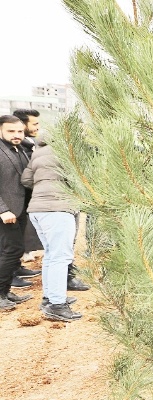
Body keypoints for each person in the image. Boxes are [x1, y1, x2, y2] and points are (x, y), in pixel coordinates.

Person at [21, 136, 83, 321]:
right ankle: (57, 305)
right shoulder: (68, 150)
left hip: (37, 209)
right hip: (57, 208)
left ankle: (50, 298)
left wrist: (43, 187)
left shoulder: (38, 151)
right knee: (61, 257)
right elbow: (80, 178)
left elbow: (26, 180)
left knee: (50, 255)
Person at [0, 115, 34, 310]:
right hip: (6, 212)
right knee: (10, 251)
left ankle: (5, 291)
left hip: (20, 210)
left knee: (15, 250)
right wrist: (3, 210)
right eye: (11, 131)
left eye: (19, 131)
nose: (16, 135)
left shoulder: (21, 149)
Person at [9, 109, 43, 289]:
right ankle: (9, 276)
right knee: (9, 244)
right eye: (35, 124)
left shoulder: (26, 145)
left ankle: (16, 267)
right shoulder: (14, 147)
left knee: (18, 240)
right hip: (10, 201)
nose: (38, 127)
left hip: (23, 200)